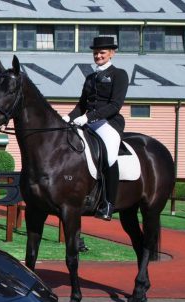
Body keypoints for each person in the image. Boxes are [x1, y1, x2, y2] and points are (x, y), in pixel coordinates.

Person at [63, 36, 129, 221]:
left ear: (111, 53)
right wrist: (68, 117)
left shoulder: (119, 74)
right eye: (96, 53)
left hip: (108, 123)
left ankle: (109, 202)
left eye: (102, 53)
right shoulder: (90, 77)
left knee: (109, 155)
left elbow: (115, 105)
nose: (98, 56)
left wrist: (88, 117)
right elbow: (81, 104)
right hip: (87, 121)